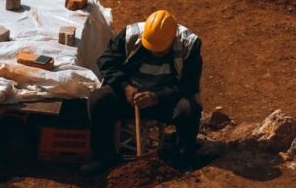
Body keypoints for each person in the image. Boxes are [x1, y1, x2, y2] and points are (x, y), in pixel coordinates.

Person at [82, 9, 204, 174]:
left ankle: (182, 160)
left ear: (172, 39)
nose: (154, 52)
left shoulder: (189, 44)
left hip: (166, 100)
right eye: (150, 47)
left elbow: (188, 85)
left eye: (160, 50)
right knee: (99, 100)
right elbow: (106, 62)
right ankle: (103, 157)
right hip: (129, 97)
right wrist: (125, 87)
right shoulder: (130, 35)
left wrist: (157, 96)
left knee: (189, 109)